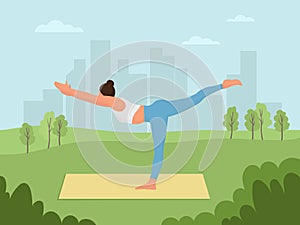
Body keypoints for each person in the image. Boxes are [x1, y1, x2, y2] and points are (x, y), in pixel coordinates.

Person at [54, 79, 242, 190]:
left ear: (104, 95)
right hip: (158, 110)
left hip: (156, 114)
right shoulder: (115, 104)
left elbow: (93, 100)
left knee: (159, 146)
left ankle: (152, 182)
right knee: (194, 100)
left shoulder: (115, 103)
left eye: (100, 96)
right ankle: (223, 85)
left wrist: (70, 92)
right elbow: (96, 99)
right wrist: (70, 92)